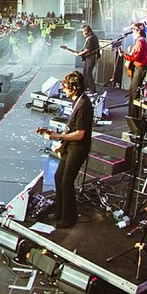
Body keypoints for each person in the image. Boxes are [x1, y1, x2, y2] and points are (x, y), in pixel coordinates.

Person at [37, 71, 92, 229]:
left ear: (74, 87)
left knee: (67, 182)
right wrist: (59, 139)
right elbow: (71, 127)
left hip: (78, 149)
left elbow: (80, 133)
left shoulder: (84, 105)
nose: (64, 89)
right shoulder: (77, 101)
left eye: (66, 87)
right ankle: (60, 212)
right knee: (58, 177)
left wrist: (55, 136)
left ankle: (69, 218)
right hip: (70, 146)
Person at [122, 23, 147, 108]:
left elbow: (135, 57)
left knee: (134, 92)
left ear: (138, 31)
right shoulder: (141, 40)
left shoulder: (140, 41)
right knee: (133, 90)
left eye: (133, 30)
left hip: (140, 68)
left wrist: (123, 54)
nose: (132, 33)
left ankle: (133, 113)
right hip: (140, 68)